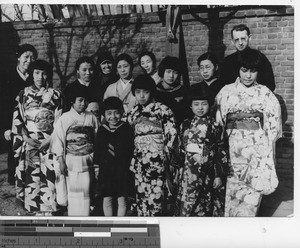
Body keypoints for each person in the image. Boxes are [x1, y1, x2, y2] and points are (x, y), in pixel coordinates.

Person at [215, 49, 282, 217]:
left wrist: (268, 153)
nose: (248, 76)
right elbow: (219, 124)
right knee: (232, 191)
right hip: (233, 149)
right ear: (238, 70)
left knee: (251, 197)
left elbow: (273, 127)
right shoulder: (226, 92)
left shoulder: (265, 93)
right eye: (244, 70)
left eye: (253, 71)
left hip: (256, 152)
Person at [11, 60, 63, 215]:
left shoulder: (56, 95)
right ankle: (33, 207)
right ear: (32, 74)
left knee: (50, 173)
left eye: (44, 73)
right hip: (30, 139)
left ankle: (50, 207)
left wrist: (50, 139)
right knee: (32, 174)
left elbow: (60, 121)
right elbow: (18, 119)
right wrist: (26, 138)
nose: (40, 76)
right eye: (37, 73)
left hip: (50, 139)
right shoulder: (23, 94)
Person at [126, 75, 178, 216]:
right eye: (138, 92)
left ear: (152, 92)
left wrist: (168, 156)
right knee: (142, 195)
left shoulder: (163, 110)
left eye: (146, 92)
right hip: (140, 160)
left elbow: (171, 134)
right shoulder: (133, 113)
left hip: (158, 159)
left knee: (158, 196)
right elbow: (130, 137)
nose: (141, 96)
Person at [176, 83, 228, 217]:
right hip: (188, 172)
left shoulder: (215, 126)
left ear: (209, 105)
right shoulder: (185, 125)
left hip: (207, 173)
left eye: (203, 104)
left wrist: (218, 175)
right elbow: (180, 148)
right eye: (196, 104)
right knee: (187, 203)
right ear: (190, 105)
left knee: (204, 204)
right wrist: (179, 168)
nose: (200, 108)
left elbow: (220, 151)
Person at [51, 84, 99, 216]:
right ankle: (74, 217)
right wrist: (60, 160)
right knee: (74, 191)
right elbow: (58, 140)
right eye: (80, 100)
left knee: (87, 190)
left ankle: (86, 216)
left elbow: (96, 137)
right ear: (72, 101)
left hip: (88, 158)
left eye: (85, 100)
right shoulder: (65, 118)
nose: (83, 104)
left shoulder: (92, 117)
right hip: (72, 159)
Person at [2, 44, 37, 185]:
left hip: (31, 120)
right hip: (13, 120)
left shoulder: (35, 76)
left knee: (31, 149)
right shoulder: (8, 76)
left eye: (32, 58)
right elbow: (3, 104)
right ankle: (14, 180)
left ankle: (30, 178)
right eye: (26, 57)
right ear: (19, 57)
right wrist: (6, 127)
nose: (29, 60)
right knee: (15, 150)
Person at [93, 97, 134, 216]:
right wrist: (96, 167)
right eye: (109, 113)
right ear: (104, 114)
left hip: (122, 169)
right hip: (106, 170)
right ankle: (109, 222)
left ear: (122, 112)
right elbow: (98, 150)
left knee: (122, 198)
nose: (113, 116)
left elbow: (130, 149)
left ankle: (120, 223)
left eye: (116, 112)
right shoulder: (102, 130)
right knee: (107, 198)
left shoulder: (126, 129)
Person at [219, 24, 275, 91]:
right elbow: (223, 85)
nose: (240, 43)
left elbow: (270, 85)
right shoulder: (227, 61)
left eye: (243, 39)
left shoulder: (260, 59)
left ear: (249, 37)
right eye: (236, 40)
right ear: (232, 41)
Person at [156, 56, 189, 127]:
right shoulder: (155, 92)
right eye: (168, 72)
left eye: (175, 72)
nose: (171, 76)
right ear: (162, 71)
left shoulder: (184, 91)